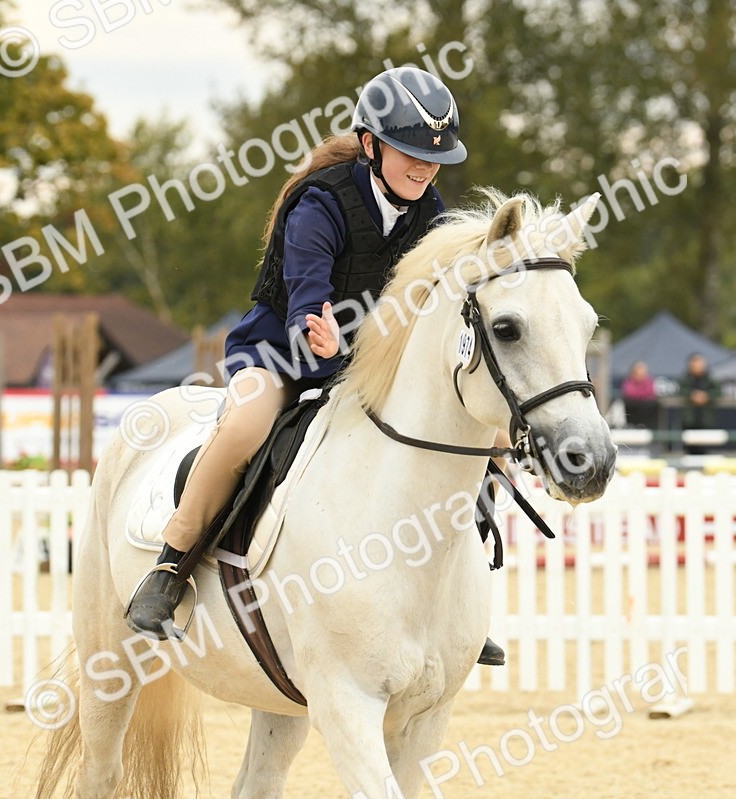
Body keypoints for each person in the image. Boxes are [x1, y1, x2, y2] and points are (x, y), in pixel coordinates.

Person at [124, 67, 507, 666]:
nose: (424, 168)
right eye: (411, 153)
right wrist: (319, 335)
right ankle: (170, 567)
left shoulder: (429, 211)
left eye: (435, 158)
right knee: (245, 426)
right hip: (282, 354)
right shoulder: (319, 203)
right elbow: (308, 305)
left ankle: (452, 600)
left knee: (478, 436)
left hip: (361, 363)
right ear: (371, 144)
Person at [678, 353, 719, 455]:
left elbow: (718, 391)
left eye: (699, 363)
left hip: (705, 418)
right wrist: (692, 395)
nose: (697, 366)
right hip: (689, 418)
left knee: (704, 446)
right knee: (689, 446)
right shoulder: (684, 378)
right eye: (694, 363)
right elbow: (680, 390)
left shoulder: (709, 378)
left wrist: (706, 396)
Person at [620, 361, 658, 430]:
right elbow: (629, 392)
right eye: (638, 372)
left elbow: (649, 391)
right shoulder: (628, 382)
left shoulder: (649, 382)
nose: (640, 375)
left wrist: (639, 394)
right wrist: (641, 395)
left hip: (647, 417)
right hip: (632, 414)